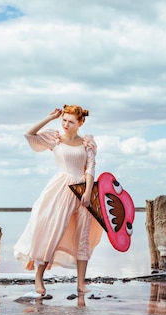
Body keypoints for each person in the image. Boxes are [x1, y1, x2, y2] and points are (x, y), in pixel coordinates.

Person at [14, 104, 103, 297]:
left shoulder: (87, 142)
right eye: (64, 120)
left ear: (80, 123)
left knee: (83, 237)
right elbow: (29, 135)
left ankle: (81, 284)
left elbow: (90, 169)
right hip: (61, 188)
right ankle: (39, 277)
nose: (65, 124)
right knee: (52, 232)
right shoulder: (55, 139)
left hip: (83, 191)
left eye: (71, 122)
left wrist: (88, 193)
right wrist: (49, 118)